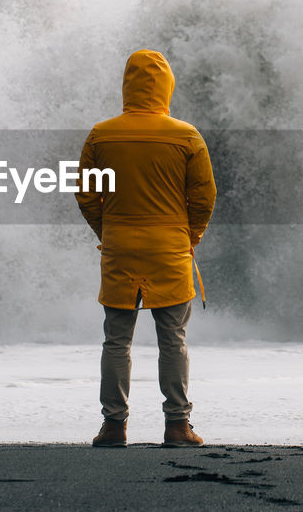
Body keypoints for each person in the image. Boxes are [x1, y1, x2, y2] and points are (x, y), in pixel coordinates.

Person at [76, 49, 216, 448]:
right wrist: (192, 237)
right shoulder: (186, 135)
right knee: (173, 338)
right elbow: (204, 198)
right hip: (170, 249)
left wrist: (109, 229)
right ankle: (177, 426)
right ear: (167, 86)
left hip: (119, 247)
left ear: (127, 85)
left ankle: (113, 427)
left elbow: (86, 195)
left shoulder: (101, 135)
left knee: (116, 340)